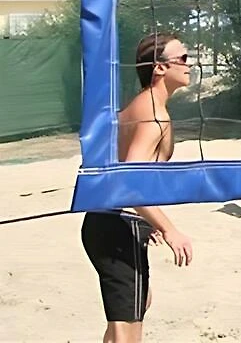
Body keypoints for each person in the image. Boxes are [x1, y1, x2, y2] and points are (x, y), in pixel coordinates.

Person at [81, 32, 195, 343]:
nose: (189, 64)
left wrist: (149, 219)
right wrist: (170, 229)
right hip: (118, 227)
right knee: (128, 333)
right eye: (183, 58)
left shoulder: (138, 106)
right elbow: (129, 181)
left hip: (106, 223)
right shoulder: (154, 115)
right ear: (160, 67)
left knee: (139, 304)